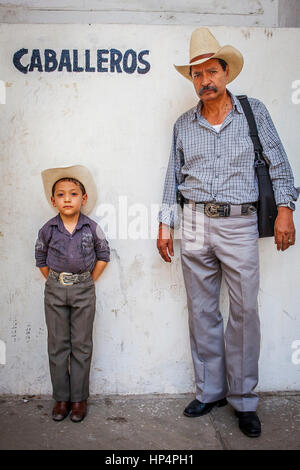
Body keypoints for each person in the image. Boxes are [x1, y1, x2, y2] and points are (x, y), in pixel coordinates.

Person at [157, 28, 298, 438]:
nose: (205, 80)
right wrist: (166, 223)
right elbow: (172, 177)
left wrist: (285, 211)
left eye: (211, 72)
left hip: (239, 223)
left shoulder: (253, 113)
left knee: (244, 313)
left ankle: (244, 400)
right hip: (196, 222)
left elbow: (280, 164)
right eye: (197, 75)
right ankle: (210, 391)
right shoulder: (183, 125)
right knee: (201, 311)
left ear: (226, 73)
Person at [35, 165, 110, 422]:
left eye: (74, 193)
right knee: (58, 346)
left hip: (84, 291)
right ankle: (61, 399)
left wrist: (87, 280)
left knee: (81, 345)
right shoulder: (48, 229)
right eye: (61, 194)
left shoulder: (92, 228)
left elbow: (103, 255)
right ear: (53, 200)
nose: (67, 198)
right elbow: (41, 259)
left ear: (84, 198)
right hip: (55, 291)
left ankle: (78, 399)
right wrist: (58, 281)